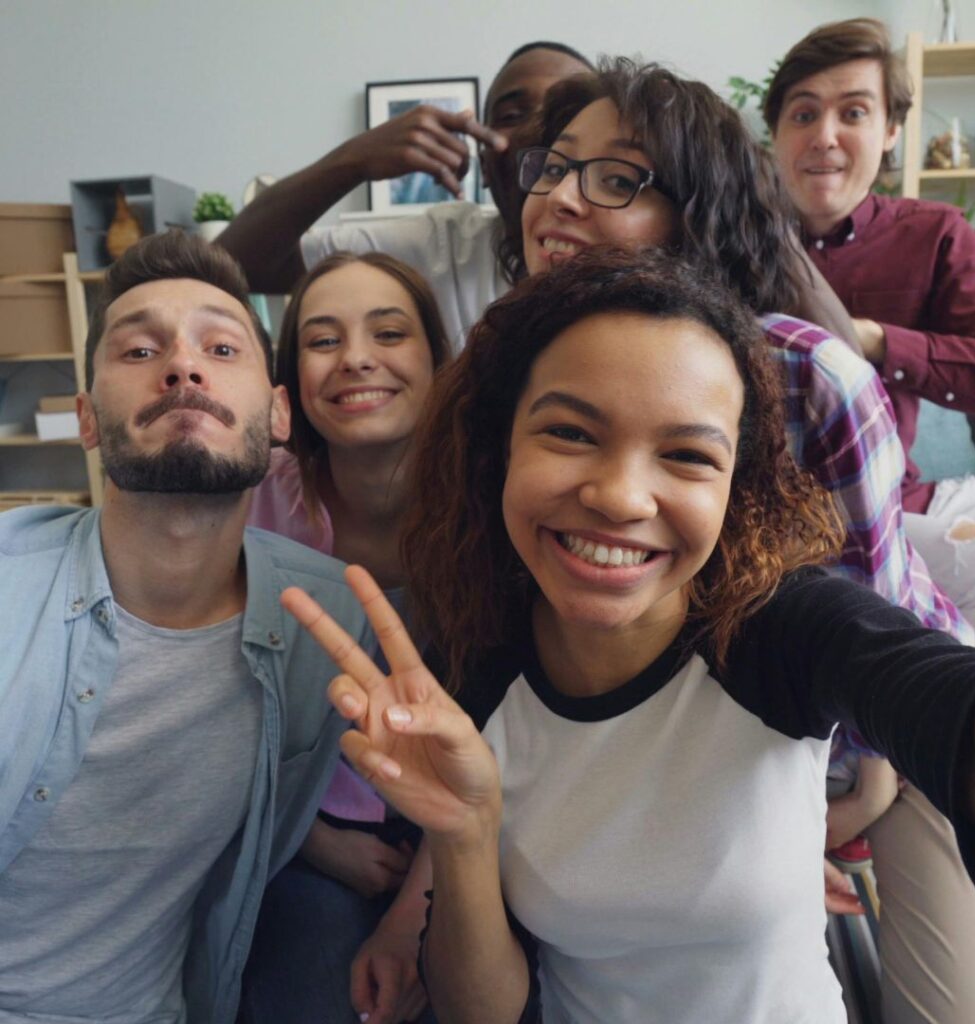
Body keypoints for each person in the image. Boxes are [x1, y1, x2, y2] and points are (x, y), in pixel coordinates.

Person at [282, 247, 975, 1024]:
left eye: (686, 454)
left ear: (735, 485)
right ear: (502, 445)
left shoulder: (785, 631)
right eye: (570, 433)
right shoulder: (475, 669)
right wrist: (463, 834)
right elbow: (483, 1011)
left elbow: (949, 701)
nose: (621, 497)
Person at [508, 56, 975, 1021]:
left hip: (869, 749)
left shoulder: (805, 375)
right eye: (553, 167)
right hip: (663, 734)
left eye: (615, 178)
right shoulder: (509, 369)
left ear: (695, 213)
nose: (561, 199)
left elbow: (880, 629)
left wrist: (847, 800)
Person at [0, 231, 370, 1024]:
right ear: (89, 420)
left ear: (276, 414)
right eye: (138, 350)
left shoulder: (332, 621)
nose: (182, 365)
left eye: (222, 345)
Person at [766, 17, 975, 662]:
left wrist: (874, 340)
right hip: (797, 517)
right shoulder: (730, 239)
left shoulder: (932, 233)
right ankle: (922, 729)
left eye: (852, 112)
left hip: (907, 489)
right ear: (775, 136)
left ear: (890, 133)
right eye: (803, 114)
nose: (824, 136)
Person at [241, 252, 451, 1024]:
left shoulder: (502, 510)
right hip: (297, 834)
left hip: (470, 837)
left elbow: (514, 726)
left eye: (389, 332)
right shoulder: (251, 500)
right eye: (322, 340)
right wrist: (311, 843)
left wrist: (413, 913)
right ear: (290, 382)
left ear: (439, 360)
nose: (357, 358)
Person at [218, 42, 594, 345]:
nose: (538, 132)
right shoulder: (444, 246)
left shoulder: (648, 247)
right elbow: (232, 265)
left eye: (568, 114)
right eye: (512, 115)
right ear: (485, 166)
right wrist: (352, 161)